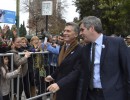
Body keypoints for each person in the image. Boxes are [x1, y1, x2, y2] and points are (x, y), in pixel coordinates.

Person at [78, 16, 130, 100]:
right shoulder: (85, 49)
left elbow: (128, 70)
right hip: (90, 95)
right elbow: (82, 75)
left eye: (82, 30)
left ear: (91, 28)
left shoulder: (117, 43)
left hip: (113, 95)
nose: (80, 33)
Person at [45, 22, 82, 100]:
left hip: (70, 89)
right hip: (60, 87)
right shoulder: (63, 47)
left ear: (76, 34)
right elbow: (61, 66)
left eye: (68, 31)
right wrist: (52, 76)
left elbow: (76, 72)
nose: (65, 33)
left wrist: (59, 84)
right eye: (64, 31)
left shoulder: (80, 50)